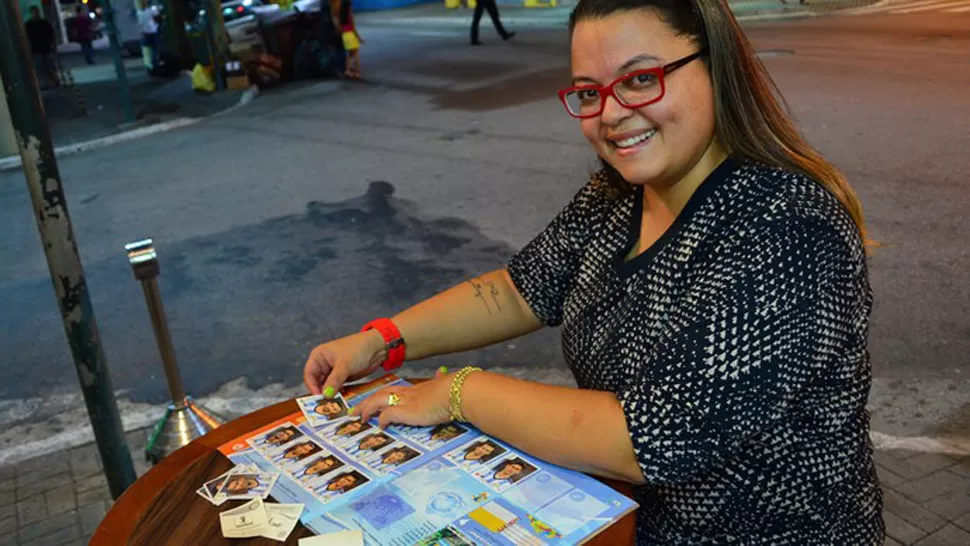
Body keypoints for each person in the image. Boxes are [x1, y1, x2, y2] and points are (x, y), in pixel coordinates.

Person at [303, 0, 884, 543]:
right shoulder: (617, 192)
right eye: (589, 92)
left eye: (639, 79)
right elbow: (519, 290)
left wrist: (460, 391)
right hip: (631, 521)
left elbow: (652, 438)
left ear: (714, 65)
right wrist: (382, 340)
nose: (611, 115)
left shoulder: (786, 227)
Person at [24, 6, 59, 88]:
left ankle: (52, 81)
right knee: (42, 67)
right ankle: (48, 82)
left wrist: (53, 44)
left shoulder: (34, 24)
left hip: (43, 48)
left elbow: (51, 34)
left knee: (47, 66)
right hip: (38, 48)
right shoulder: (31, 24)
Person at [337, 0, 363, 79]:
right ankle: (358, 72)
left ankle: (347, 70)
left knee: (350, 54)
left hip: (345, 35)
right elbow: (353, 28)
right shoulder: (349, 16)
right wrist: (359, 38)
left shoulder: (341, 15)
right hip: (350, 34)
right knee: (356, 54)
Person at [135, 0, 159, 70]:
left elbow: (140, 24)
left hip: (146, 32)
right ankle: (155, 62)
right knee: (155, 47)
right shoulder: (151, 10)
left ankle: (150, 63)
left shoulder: (139, 13)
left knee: (150, 48)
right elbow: (157, 17)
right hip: (153, 31)